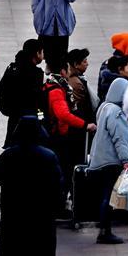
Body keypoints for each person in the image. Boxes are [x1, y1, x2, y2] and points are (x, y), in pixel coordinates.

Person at [0, 116, 63, 256]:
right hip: (41, 215)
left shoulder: (8, 155)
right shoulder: (48, 156)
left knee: (13, 251)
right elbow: (57, 184)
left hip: (14, 213)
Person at [88, 77, 128, 244]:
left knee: (123, 191)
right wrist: (125, 159)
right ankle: (105, 231)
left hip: (101, 157)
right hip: (111, 159)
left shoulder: (105, 107)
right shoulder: (116, 112)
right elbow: (120, 138)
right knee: (112, 195)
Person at [43, 57, 97, 212]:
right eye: (68, 69)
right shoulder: (56, 90)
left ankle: (60, 202)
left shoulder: (55, 85)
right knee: (64, 170)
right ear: (62, 71)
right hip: (58, 137)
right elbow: (63, 114)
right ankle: (59, 205)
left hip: (58, 135)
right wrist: (84, 125)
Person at [0, 39, 45, 149]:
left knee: (12, 146)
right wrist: (41, 117)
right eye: (42, 52)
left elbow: (1, 89)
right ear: (37, 53)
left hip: (14, 116)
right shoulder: (36, 73)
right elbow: (38, 100)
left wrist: (7, 108)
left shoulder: (12, 68)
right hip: (30, 118)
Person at [31, 0, 77, 66]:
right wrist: (36, 11)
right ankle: (49, 63)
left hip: (62, 19)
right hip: (46, 18)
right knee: (47, 43)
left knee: (61, 45)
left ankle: (60, 66)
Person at [66, 48, 95, 124]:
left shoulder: (73, 77)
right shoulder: (76, 83)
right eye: (84, 61)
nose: (87, 64)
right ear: (76, 64)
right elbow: (81, 106)